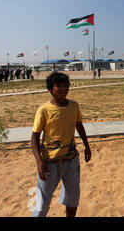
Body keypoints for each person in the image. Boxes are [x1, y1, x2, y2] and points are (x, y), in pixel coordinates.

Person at [30, 72, 92, 217]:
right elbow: (34, 139)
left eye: (66, 86)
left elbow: (79, 125)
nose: (64, 89)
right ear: (50, 89)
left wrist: (87, 145)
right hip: (49, 163)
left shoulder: (73, 105)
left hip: (71, 160)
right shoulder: (44, 110)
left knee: (73, 197)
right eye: (59, 86)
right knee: (43, 201)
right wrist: (39, 162)